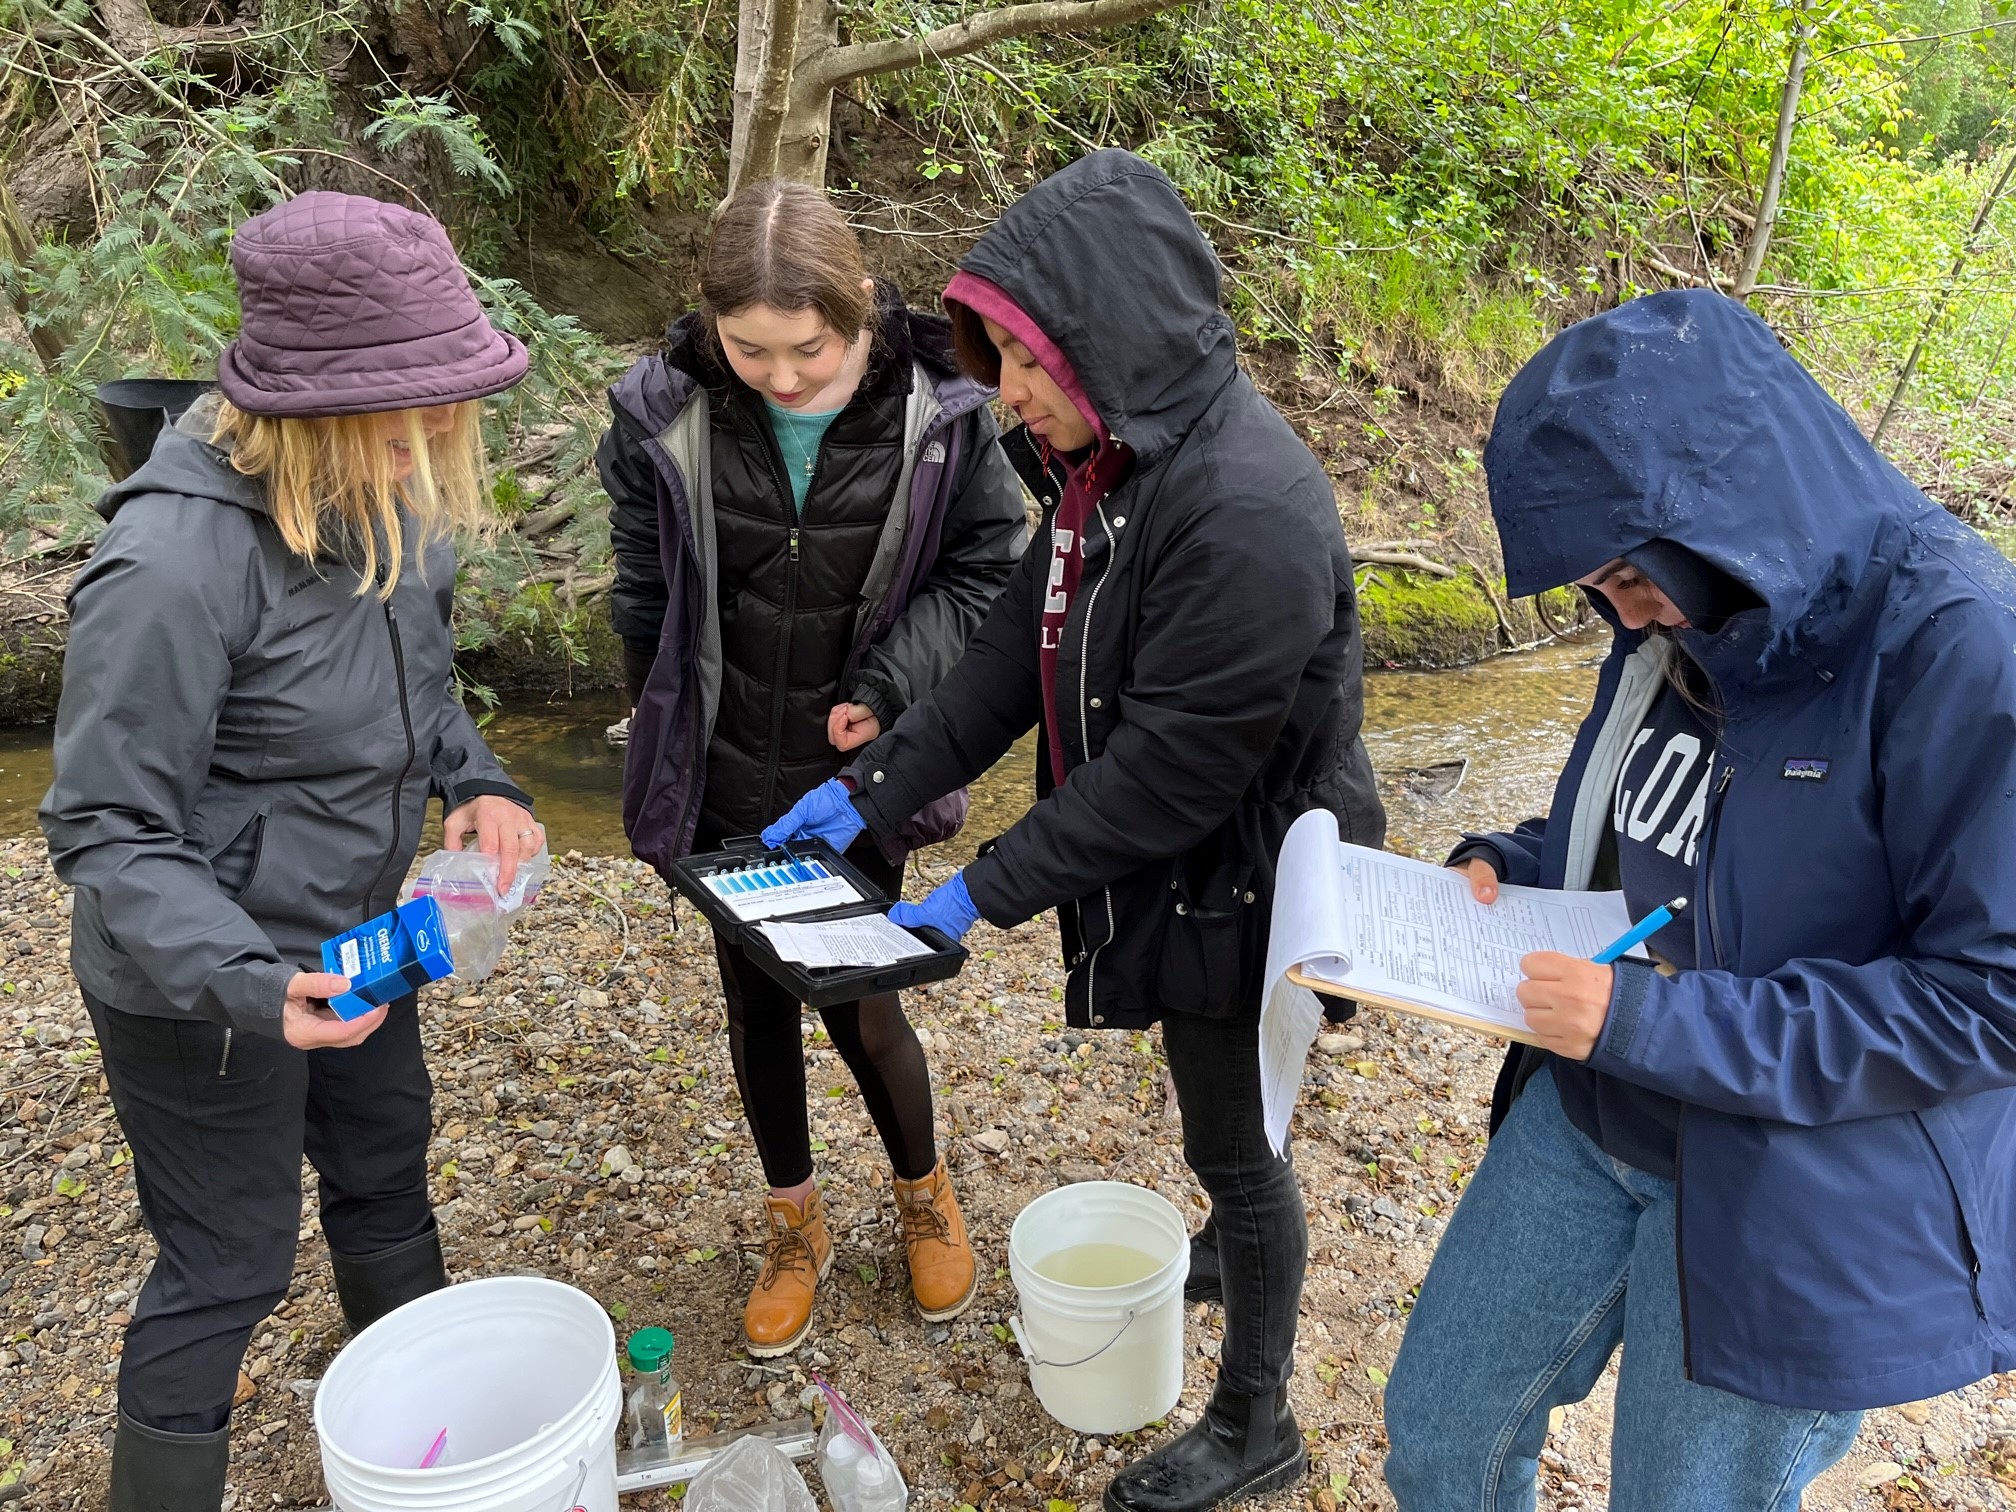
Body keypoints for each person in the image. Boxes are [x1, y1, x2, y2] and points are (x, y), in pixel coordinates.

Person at [763, 149, 1386, 1512]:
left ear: (1113, 341)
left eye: (1032, 368)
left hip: (1253, 881)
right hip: (1175, 865)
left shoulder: (1249, 510)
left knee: (1240, 1138)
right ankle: (1231, 1236)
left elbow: (1173, 774)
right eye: (1002, 366)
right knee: (1223, 1125)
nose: (1014, 398)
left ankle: (1254, 1423)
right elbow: (1007, 659)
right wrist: (872, 792)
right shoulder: (1112, 462)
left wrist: (983, 889)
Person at [1382, 289, 2016, 1510]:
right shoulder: (1682, 613)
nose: (1619, 616)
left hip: (1795, 1187)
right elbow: (1669, 825)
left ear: (1732, 508)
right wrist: (1520, 862)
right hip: (1590, 1116)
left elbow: (1987, 1001)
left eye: (1628, 578)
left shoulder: (1961, 650)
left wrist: (1646, 1024)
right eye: (1595, 587)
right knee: (1443, 1427)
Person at [39, 192, 543, 1512]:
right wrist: (259, 988)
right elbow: (103, 827)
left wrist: (474, 785)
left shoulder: (395, 494)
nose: (442, 437)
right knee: (231, 1264)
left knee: (385, 1171)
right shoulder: (170, 561)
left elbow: (421, 691)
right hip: (198, 980)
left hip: (360, 934)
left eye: (451, 405)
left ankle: (423, 1445)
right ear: (310, 403)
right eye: (415, 410)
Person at [599, 180, 1027, 1356]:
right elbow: (644, 587)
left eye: (809, 348)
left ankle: (921, 1195)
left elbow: (990, 575)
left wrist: (889, 691)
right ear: (710, 325)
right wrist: (658, 718)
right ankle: (796, 1220)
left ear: (860, 318)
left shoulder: (940, 412)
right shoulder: (665, 413)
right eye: (751, 349)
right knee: (755, 1005)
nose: (781, 377)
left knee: (863, 997)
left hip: (864, 768)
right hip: (722, 763)